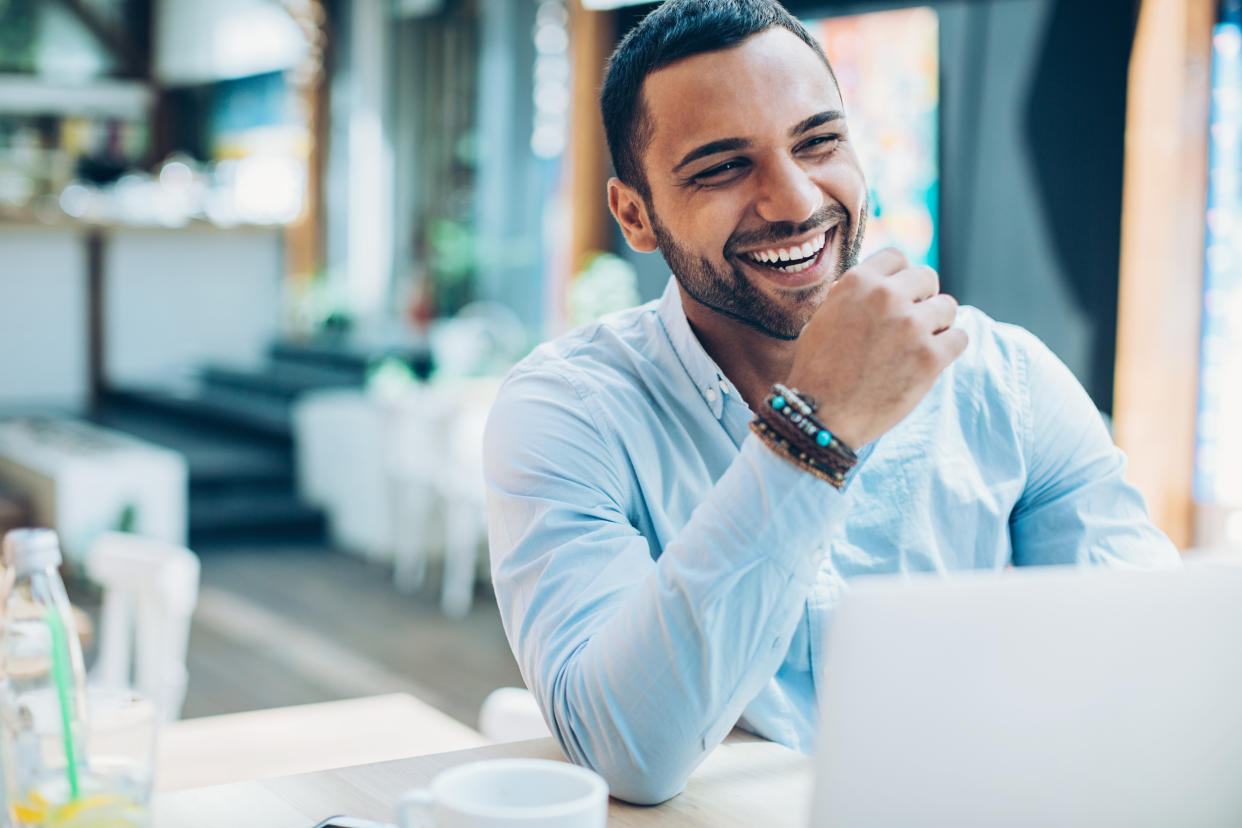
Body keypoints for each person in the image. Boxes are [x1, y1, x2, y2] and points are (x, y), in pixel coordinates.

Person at [483, 0, 1178, 806]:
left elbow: (1144, 667)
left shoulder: (1006, 382)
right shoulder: (568, 412)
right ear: (636, 215)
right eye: (721, 166)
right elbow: (628, 752)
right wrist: (813, 429)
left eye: (819, 142)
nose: (794, 200)